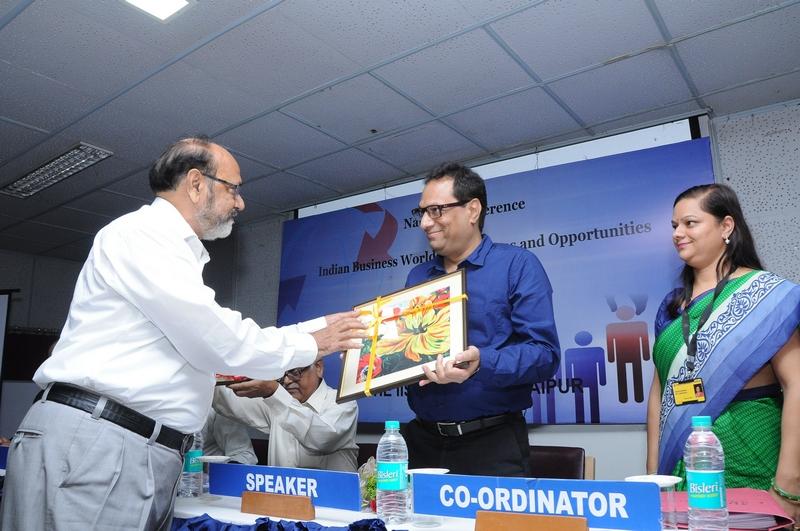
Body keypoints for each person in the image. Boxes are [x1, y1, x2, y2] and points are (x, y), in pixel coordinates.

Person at [0, 137, 365, 531]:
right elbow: (215, 336)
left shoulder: (170, 249)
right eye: (234, 188)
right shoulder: (142, 235)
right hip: (102, 443)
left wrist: (317, 330)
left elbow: (203, 341)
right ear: (195, 184)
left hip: (130, 447)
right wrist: (313, 341)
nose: (241, 203)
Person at [646, 183, 799, 520]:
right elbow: (659, 392)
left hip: (751, 455)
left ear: (726, 226)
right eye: (674, 226)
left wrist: (789, 484)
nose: (677, 233)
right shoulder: (672, 307)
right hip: (681, 467)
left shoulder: (768, 298)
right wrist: (655, 475)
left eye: (690, 223)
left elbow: (797, 385)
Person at [401, 161, 560, 477]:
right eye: (421, 212)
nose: (424, 223)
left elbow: (545, 356)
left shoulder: (517, 265)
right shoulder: (417, 277)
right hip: (422, 443)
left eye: (436, 211)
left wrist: (482, 362)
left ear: (472, 210)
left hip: (492, 446)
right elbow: (408, 352)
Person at [213, 359, 358, 472]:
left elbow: (322, 439)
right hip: (280, 499)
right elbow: (225, 400)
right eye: (281, 375)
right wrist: (204, 372)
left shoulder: (343, 402)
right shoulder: (275, 402)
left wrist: (274, 392)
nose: (287, 381)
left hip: (332, 499)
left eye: (295, 372)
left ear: (318, 367)